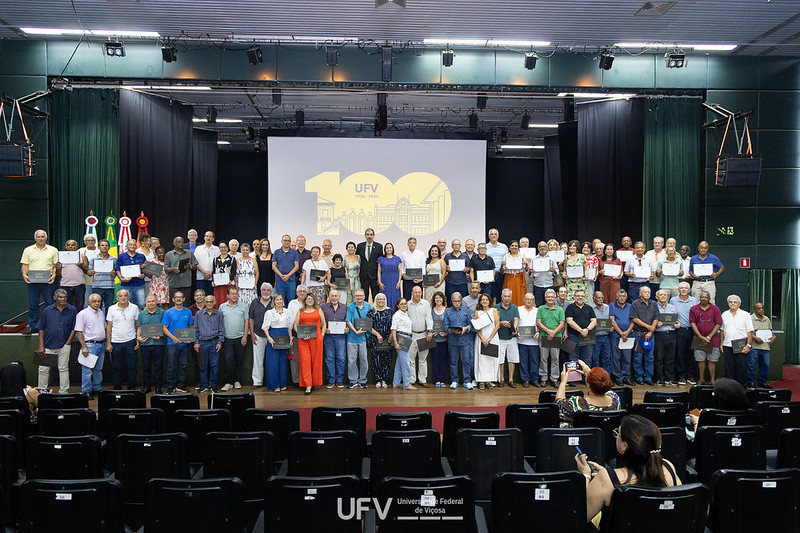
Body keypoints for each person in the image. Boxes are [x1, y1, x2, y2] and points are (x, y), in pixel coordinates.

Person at [577, 414, 681, 527]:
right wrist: (609, 476)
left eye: (618, 434)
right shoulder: (668, 467)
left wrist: (586, 476)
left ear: (624, 446)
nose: (616, 436)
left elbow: (581, 517)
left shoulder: (606, 478)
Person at [36, 289, 76, 393]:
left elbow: (74, 328)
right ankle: (42, 391)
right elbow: (41, 328)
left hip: (64, 345)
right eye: (60, 297)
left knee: (63, 368)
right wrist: (41, 346)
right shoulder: (47, 310)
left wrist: (68, 342)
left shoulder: (72, 310)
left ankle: (64, 391)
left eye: (64, 297)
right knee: (43, 369)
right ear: (55, 298)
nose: (63, 299)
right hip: (48, 344)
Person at [556, 361, 620, 425]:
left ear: (587, 384)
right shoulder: (615, 399)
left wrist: (563, 382)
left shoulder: (576, 403)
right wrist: (588, 373)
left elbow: (559, 403)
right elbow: (602, 384)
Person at [21, 229, 59, 332]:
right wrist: (24, 275)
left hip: (48, 281)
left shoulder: (53, 250)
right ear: (35, 238)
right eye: (39, 237)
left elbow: (55, 265)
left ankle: (49, 326)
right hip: (32, 281)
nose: (41, 239)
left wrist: (54, 275)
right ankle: (33, 326)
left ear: (46, 238)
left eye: (42, 237)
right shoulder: (28, 250)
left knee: (50, 304)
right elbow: (25, 264)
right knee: (33, 304)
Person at [105, 289, 139, 390]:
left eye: (125, 296)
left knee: (132, 366)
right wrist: (108, 343)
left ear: (128, 297)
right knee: (116, 367)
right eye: (121, 296)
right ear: (117, 298)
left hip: (131, 340)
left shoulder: (134, 308)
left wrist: (137, 340)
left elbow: (137, 325)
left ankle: (131, 387)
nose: (123, 298)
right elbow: (109, 326)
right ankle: (117, 387)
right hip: (116, 342)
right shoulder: (111, 308)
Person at [74, 293, 106, 399]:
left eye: (99, 301)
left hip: (101, 344)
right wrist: (84, 347)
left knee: (98, 368)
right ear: (89, 302)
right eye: (94, 301)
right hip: (89, 345)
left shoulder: (101, 312)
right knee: (87, 370)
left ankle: (97, 388)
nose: (97, 303)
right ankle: (86, 391)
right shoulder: (83, 314)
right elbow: (78, 331)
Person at [161, 291, 194, 394]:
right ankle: (170, 386)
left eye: (181, 297)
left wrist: (190, 337)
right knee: (171, 366)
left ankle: (180, 385)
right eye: (176, 297)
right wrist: (173, 338)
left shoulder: (188, 312)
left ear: (184, 299)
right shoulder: (168, 312)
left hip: (184, 344)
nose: (179, 299)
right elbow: (164, 328)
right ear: (173, 299)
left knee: (183, 366)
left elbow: (191, 326)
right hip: (172, 344)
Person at [294, 292, 326, 395]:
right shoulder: (300, 311)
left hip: (316, 339)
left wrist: (322, 335)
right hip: (303, 340)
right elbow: (295, 324)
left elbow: (324, 324)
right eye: (308, 299)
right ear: (305, 300)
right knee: (305, 362)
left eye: (311, 299)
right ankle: (308, 385)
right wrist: (300, 334)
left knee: (315, 362)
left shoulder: (318, 310)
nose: (310, 300)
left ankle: (313, 383)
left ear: (314, 300)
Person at [218, 287, 249, 391]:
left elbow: (246, 321)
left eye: (236, 294)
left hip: (240, 338)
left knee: (239, 361)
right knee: (228, 361)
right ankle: (228, 382)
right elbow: (220, 323)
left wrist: (245, 336)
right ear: (228, 296)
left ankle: (237, 381)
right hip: (227, 339)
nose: (235, 295)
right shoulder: (222, 307)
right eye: (232, 294)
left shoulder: (243, 306)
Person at [689, 291, 723, 385]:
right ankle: (701, 379)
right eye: (702, 297)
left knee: (712, 360)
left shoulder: (715, 309)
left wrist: (709, 337)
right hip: (698, 338)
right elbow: (692, 323)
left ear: (709, 299)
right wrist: (700, 337)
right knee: (700, 360)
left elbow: (719, 323)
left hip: (713, 339)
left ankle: (712, 380)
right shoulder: (694, 308)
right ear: (699, 298)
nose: (704, 299)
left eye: (706, 297)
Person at [193, 294, 224, 393]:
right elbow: (195, 329)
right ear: (204, 303)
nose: (209, 304)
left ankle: (213, 385)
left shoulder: (219, 314)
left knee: (214, 365)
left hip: (214, 342)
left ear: (215, 302)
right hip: (202, 343)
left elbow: (221, 329)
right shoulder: (199, 314)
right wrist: (196, 342)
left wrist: (220, 342)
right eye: (207, 302)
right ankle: (204, 385)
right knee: (202, 366)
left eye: (211, 302)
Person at [720, 294, 753, 386]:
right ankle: (730, 388)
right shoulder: (724, 314)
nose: (732, 304)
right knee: (729, 368)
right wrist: (721, 343)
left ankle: (741, 388)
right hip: (727, 345)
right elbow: (722, 330)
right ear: (728, 303)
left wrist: (748, 345)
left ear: (739, 304)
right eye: (730, 302)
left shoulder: (745, 315)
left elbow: (749, 331)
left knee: (741, 368)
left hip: (741, 345)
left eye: (735, 302)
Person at [136, 294, 166, 394]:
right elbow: (139, 328)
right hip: (145, 344)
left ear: (157, 302)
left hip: (159, 344)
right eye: (149, 301)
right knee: (146, 367)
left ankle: (158, 388)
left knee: (158, 366)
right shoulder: (141, 314)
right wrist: (138, 338)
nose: (151, 303)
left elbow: (165, 327)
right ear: (146, 303)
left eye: (153, 301)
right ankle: (147, 387)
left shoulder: (162, 313)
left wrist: (160, 335)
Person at [262, 293, 292, 392]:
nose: (279, 301)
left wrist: (291, 338)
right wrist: (269, 338)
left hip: (285, 336)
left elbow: (289, 327)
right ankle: (275, 385)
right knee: (273, 362)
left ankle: (283, 383)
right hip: (273, 337)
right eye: (277, 299)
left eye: (280, 299)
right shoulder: (269, 313)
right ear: (274, 301)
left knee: (283, 361)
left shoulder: (287, 312)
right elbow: (265, 327)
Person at [630, 286, 659, 385]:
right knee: (638, 357)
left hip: (651, 335)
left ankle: (648, 377)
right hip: (639, 334)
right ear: (640, 294)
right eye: (645, 292)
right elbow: (634, 318)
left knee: (649, 357)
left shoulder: (654, 304)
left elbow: (656, 317)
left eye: (649, 292)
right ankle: (639, 377)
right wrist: (648, 327)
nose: (647, 294)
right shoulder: (635, 304)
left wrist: (651, 331)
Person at [444, 291, 473, 389]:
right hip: (452, 340)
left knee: (466, 361)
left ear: (461, 301)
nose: (457, 303)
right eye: (455, 301)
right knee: (453, 361)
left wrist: (466, 328)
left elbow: (471, 324)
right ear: (451, 301)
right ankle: (454, 380)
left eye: (458, 301)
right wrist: (452, 331)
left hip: (465, 340)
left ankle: (467, 380)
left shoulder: (466, 311)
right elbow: (445, 327)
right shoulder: (448, 311)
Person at [565, 289, 597, 376]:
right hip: (573, 336)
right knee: (572, 358)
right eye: (578, 296)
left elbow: (594, 321)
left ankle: (586, 379)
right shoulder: (570, 307)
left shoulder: (589, 308)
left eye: (582, 296)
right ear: (574, 297)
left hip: (587, 336)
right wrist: (580, 330)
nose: (580, 298)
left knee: (587, 358)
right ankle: (573, 379)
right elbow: (569, 321)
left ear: (585, 297)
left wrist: (586, 330)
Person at [537, 288, 565, 387]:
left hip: (556, 337)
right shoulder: (540, 309)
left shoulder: (560, 310)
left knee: (555, 359)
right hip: (544, 336)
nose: (550, 298)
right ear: (545, 298)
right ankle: (543, 378)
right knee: (543, 358)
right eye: (548, 297)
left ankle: (554, 379)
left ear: (555, 297)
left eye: (552, 297)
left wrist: (553, 333)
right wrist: (549, 331)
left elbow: (562, 324)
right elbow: (538, 323)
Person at [407, 285, 434, 387]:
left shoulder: (426, 303)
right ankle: (411, 380)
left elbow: (429, 317)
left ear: (421, 293)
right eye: (415, 292)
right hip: (411, 335)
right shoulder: (407, 304)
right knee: (411, 359)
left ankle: (423, 380)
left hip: (424, 334)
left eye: (419, 292)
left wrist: (430, 331)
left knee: (423, 359)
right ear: (412, 293)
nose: (417, 294)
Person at [345, 289, 372, 388]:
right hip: (352, 337)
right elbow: (348, 321)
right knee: (352, 360)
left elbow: (369, 321)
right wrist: (355, 331)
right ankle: (353, 380)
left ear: (364, 296)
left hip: (363, 337)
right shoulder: (351, 306)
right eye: (357, 296)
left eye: (361, 295)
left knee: (364, 360)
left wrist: (365, 329)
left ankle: (363, 380)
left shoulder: (368, 306)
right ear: (354, 297)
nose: (359, 297)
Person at [321, 288, 347, 388]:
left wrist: (347, 328)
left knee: (341, 358)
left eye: (336, 296)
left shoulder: (345, 307)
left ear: (339, 297)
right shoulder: (323, 307)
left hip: (341, 336)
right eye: (332, 296)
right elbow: (320, 321)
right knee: (329, 358)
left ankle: (339, 379)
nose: (334, 297)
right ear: (329, 297)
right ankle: (331, 379)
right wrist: (324, 328)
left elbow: (348, 320)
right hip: (328, 336)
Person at [473, 292, 500, 389]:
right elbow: (477, 327)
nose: (485, 301)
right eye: (483, 300)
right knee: (481, 360)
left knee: (490, 359)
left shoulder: (494, 310)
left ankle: (489, 380)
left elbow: (497, 325)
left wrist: (489, 338)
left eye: (486, 300)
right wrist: (483, 339)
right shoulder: (477, 312)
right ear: (480, 301)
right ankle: (481, 381)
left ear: (489, 301)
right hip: (481, 338)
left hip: (492, 338)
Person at [249, 283, 273, 388]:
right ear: (260, 290)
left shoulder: (275, 301)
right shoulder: (254, 302)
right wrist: (252, 333)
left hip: (272, 335)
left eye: (268, 290)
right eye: (264, 290)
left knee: (272, 360)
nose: (266, 292)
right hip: (258, 334)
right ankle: (257, 381)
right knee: (258, 359)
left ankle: (272, 381)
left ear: (271, 292)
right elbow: (251, 318)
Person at [654, 289, 680, 386]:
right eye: (661, 295)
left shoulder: (672, 307)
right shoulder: (654, 307)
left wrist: (677, 324)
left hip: (672, 333)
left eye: (665, 295)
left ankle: (670, 377)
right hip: (659, 334)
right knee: (659, 357)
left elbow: (676, 320)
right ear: (657, 297)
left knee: (671, 357)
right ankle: (660, 378)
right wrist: (656, 324)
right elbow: (650, 320)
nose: (663, 296)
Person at [367, 293, 394, 388]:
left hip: (387, 340)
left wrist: (391, 335)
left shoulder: (390, 312)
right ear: (375, 300)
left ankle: (384, 380)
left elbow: (394, 326)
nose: (381, 301)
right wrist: (377, 335)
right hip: (375, 340)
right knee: (376, 360)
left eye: (383, 299)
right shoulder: (371, 312)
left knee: (386, 360)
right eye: (379, 299)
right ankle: (378, 380)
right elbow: (369, 327)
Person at [609, 289, 634, 385]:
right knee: (616, 357)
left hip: (628, 336)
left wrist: (626, 332)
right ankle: (618, 377)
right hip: (615, 335)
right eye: (620, 296)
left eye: (624, 296)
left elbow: (632, 321)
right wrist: (621, 333)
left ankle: (627, 377)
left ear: (626, 297)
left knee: (627, 357)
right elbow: (612, 320)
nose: (622, 298)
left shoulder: (630, 306)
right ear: (616, 297)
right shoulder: (612, 305)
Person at [496, 288, 520, 387]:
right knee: (500, 360)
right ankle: (501, 379)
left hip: (512, 338)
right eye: (505, 296)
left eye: (508, 296)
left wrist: (515, 329)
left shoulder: (514, 308)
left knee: (512, 359)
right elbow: (494, 321)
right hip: (500, 337)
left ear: (511, 297)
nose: (506, 298)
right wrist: (501, 323)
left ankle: (510, 379)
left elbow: (516, 320)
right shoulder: (496, 307)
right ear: (502, 297)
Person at [390, 298, 415, 390]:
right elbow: (393, 329)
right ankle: (407, 383)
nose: (404, 305)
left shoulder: (406, 314)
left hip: (407, 338)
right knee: (405, 362)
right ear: (398, 306)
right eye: (402, 304)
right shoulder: (396, 315)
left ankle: (396, 383)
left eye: (405, 304)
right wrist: (395, 343)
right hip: (401, 338)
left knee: (399, 362)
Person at [516, 293, 540, 388]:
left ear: (533, 301)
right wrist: (517, 331)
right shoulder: (518, 309)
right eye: (527, 299)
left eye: (531, 299)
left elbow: (539, 323)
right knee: (523, 361)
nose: (529, 301)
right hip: (522, 340)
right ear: (524, 299)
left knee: (534, 361)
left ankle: (534, 379)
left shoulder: (537, 310)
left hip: (534, 341)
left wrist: (538, 332)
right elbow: (516, 322)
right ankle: (525, 379)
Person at [164, 237, 198, 301]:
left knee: (186, 303)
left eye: (182, 242)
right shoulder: (169, 254)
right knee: (173, 303)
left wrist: (189, 266)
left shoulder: (189, 253)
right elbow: (166, 269)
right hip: (174, 283)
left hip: (186, 283)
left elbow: (195, 265)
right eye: (179, 242)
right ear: (174, 243)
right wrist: (172, 269)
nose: (181, 244)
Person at [86, 239, 117, 312]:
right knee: (96, 306)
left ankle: (107, 323)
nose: (104, 247)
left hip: (110, 286)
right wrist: (91, 272)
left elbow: (117, 271)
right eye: (102, 245)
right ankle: (97, 322)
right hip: (97, 286)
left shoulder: (114, 259)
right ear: (99, 247)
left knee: (109, 306)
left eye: (106, 245)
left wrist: (114, 272)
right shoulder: (93, 259)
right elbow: (89, 272)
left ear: (109, 247)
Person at [749, 302, 775, 388]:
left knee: (765, 365)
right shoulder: (750, 318)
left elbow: (771, 332)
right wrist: (755, 338)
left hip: (765, 347)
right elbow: (747, 332)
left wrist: (773, 337)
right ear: (754, 309)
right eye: (759, 308)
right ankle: (751, 382)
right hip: (754, 346)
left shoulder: (767, 319)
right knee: (751, 365)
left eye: (762, 308)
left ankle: (762, 382)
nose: (761, 310)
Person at [117, 239, 147, 309]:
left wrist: (143, 275)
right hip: (126, 285)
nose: (132, 246)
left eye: (134, 245)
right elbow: (117, 269)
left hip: (139, 284)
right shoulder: (121, 256)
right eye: (130, 245)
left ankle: (139, 319)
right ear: (126, 246)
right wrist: (121, 278)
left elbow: (145, 268)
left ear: (136, 246)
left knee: (141, 304)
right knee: (125, 304)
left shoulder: (141, 256)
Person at [56, 238, 85, 311]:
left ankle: (78, 321)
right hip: (65, 284)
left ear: (76, 246)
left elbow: (87, 271)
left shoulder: (82, 256)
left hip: (79, 284)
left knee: (79, 305)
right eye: (68, 245)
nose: (70, 247)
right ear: (66, 247)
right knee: (65, 305)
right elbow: (58, 274)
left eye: (73, 245)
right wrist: (58, 268)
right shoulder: (60, 257)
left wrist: (81, 266)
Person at [356, 228, 383, 302]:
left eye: (371, 235)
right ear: (365, 236)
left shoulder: (379, 246)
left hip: (374, 276)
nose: (369, 236)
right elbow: (357, 260)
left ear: (373, 236)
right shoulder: (360, 246)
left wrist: (379, 277)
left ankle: (375, 311)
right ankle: (365, 312)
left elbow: (380, 263)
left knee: (376, 296)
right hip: (363, 275)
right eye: (367, 235)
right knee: (364, 296)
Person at [272, 234, 300, 303]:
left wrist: (288, 275)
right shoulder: (277, 252)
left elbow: (296, 266)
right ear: (281, 241)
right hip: (280, 280)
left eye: (288, 241)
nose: (287, 242)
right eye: (285, 240)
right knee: (280, 301)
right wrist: (281, 275)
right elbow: (273, 266)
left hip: (291, 280)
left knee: (291, 301)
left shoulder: (294, 252)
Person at [430, 291, 449, 388]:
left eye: (440, 298)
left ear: (443, 299)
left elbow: (449, 324)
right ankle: (437, 379)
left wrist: (446, 333)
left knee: (443, 360)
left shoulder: (447, 310)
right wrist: (431, 332)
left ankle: (442, 379)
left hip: (444, 339)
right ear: (434, 300)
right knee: (435, 360)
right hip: (434, 340)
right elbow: (429, 323)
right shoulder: (431, 310)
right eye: (436, 298)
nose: (438, 300)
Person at [501, 240, 529, 306]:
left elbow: (526, 269)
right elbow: (502, 271)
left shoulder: (522, 256)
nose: (514, 247)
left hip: (519, 278)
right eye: (512, 246)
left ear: (518, 247)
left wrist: (526, 264)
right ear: (509, 247)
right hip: (509, 279)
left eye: (516, 246)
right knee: (509, 295)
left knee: (520, 296)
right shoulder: (506, 256)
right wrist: (502, 265)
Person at [590, 291, 612, 374]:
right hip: (596, 337)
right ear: (593, 298)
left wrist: (612, 327)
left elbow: (610, 320)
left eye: (602, 298)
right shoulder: (590, 308)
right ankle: (596, 378)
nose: (600, 299)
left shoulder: (607, 307)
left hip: (606, 336)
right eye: (598, 298)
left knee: (607, 358)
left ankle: (607, 378)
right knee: (595, 359)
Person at [531, 241, 558, 307]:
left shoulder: (551, 258)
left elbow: (557, 271)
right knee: (538, 306)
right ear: (538, 248)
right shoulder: (534, 259)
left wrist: (554, 270)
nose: (542, 248)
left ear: (547, 247)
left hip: (549, 285)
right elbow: (530, 275)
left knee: (550, 304)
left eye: (544, 246)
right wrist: (530, 272)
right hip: (538, 286)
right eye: (540, 247)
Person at [444, 239, 469, 306]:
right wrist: (447, 269)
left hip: (462, 282)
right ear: (452, 246)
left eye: (457, 244)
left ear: (460, 246)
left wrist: (467, 269)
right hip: (450, 283)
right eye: (454, 244)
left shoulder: (465, 256)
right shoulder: (447, 256)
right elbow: (444, 269)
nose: (456, 246)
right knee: (450, 301)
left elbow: (469, 268)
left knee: (463, 302)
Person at [377, 242, 403, 310]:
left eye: (390, 248)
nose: (389, 249)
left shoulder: (397, 259)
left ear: (392, 249)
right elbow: (379, 271)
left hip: (394, 282)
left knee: (395, 297)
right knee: (385, 297)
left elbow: (400, 271)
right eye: (387, 248)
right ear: (385, 249)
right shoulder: (381, 259)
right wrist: (379, 282)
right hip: (384, 282)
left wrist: (399, 282)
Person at [210, 241, 235, 307]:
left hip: (228, 284)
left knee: (228, 300)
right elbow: (214, 271)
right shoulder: (215, 259)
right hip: (218, 285)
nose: (223, 249)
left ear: (228, 248)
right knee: (218, 301)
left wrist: (229, 280)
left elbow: (233, 271)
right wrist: (213, 281)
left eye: (224, 247)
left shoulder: (232, 259)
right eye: (221, 247)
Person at [486, 228, 508, 303]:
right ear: (489, 236)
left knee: (500, 294)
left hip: (501, 274)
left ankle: (499, 310)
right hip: (489, 275)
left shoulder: (504, 247)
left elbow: (507, 259)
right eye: (492, 234)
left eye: (495, 234)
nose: (494, 236)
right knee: (490, 294)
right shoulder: (485, 247)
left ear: (498, 236)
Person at [235, 242, 259, 309]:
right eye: (243, 250)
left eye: (247, 250)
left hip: (251, 287)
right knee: (241, 303)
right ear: (241, 251)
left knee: (251, 303)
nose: (245, 251)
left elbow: (257, 273)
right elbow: (235, 274)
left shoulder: (253, 260)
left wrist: (255, 284)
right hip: (241, 287)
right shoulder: (237, 260)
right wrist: (236, 283)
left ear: (249, 251)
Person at [79, 234, 100, 308]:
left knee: (99, 300)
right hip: (86, 279)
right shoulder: (81, 251)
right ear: (85, 242)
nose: (90, 242)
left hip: (99, 280)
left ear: (95, 241)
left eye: (92, 240)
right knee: (87, 301)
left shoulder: (100, 250)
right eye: (88, 240)